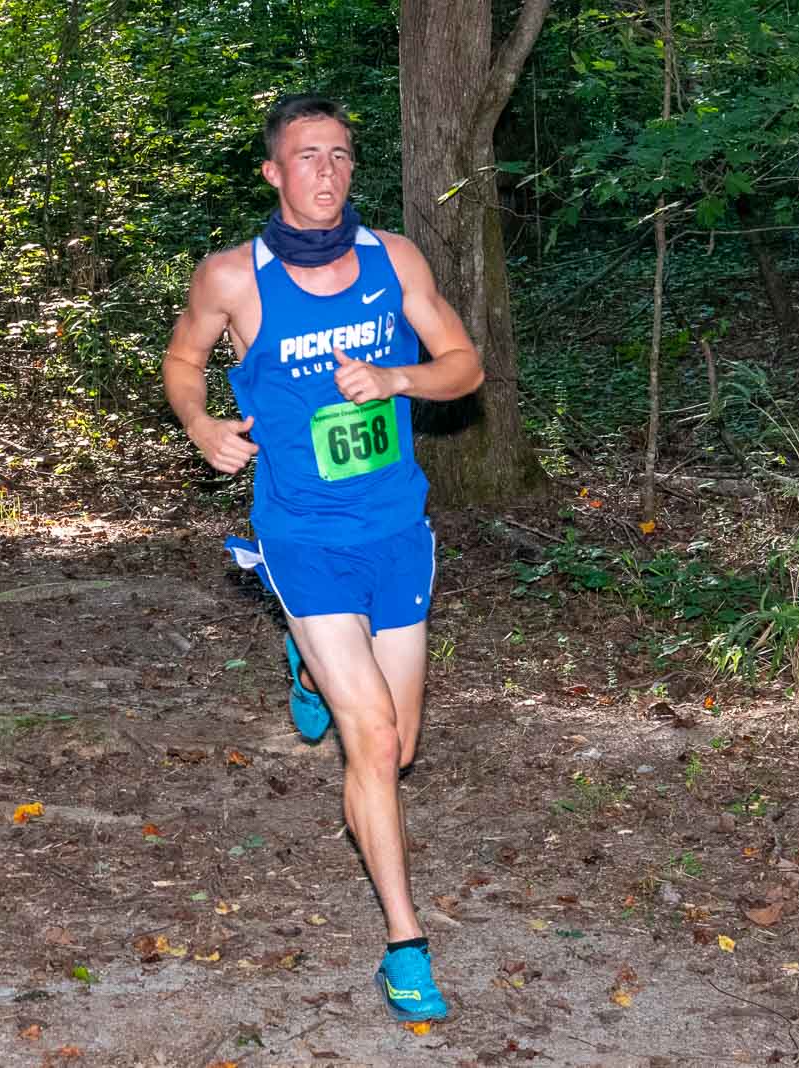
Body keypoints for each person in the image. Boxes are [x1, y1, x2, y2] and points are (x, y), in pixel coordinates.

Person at [162, 94, 484, 1023]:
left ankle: (305, 660)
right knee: (371, 740)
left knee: (398, 748)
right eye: (308, 156)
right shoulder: (235, 277)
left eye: (340, 155)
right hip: (301, 532)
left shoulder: (395, 259)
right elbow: (184, 361)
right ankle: (405, 946)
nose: (327, 172)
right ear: (274, 171)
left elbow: (464, 364)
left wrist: (397, 377)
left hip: (395, 529)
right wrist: (201, 424)